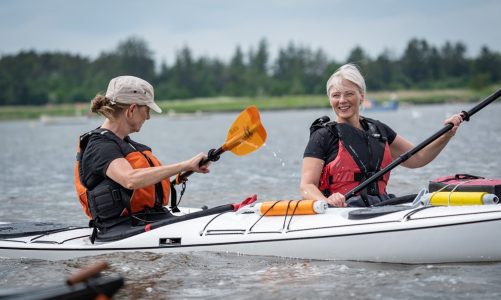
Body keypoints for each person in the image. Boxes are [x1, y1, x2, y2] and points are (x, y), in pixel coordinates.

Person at [300, 64, 464, 207]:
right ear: (330, 99)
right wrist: (326, 202)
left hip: (381, 205)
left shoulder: (378, 130)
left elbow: (418, 157)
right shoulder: (323, 136)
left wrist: (447, 134)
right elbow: (307, 186)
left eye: (349, 94)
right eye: (336, 95)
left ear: (361, 96)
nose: (342, 100)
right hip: (342, 211)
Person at [75, 75, 210, 230]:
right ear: (132, 109)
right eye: (146, 109)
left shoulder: (125, 144)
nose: (148, 116)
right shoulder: (100, 147)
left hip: (146, 219)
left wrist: (188, 168)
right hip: (122, 227)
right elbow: (130, 180)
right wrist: (184, 164)